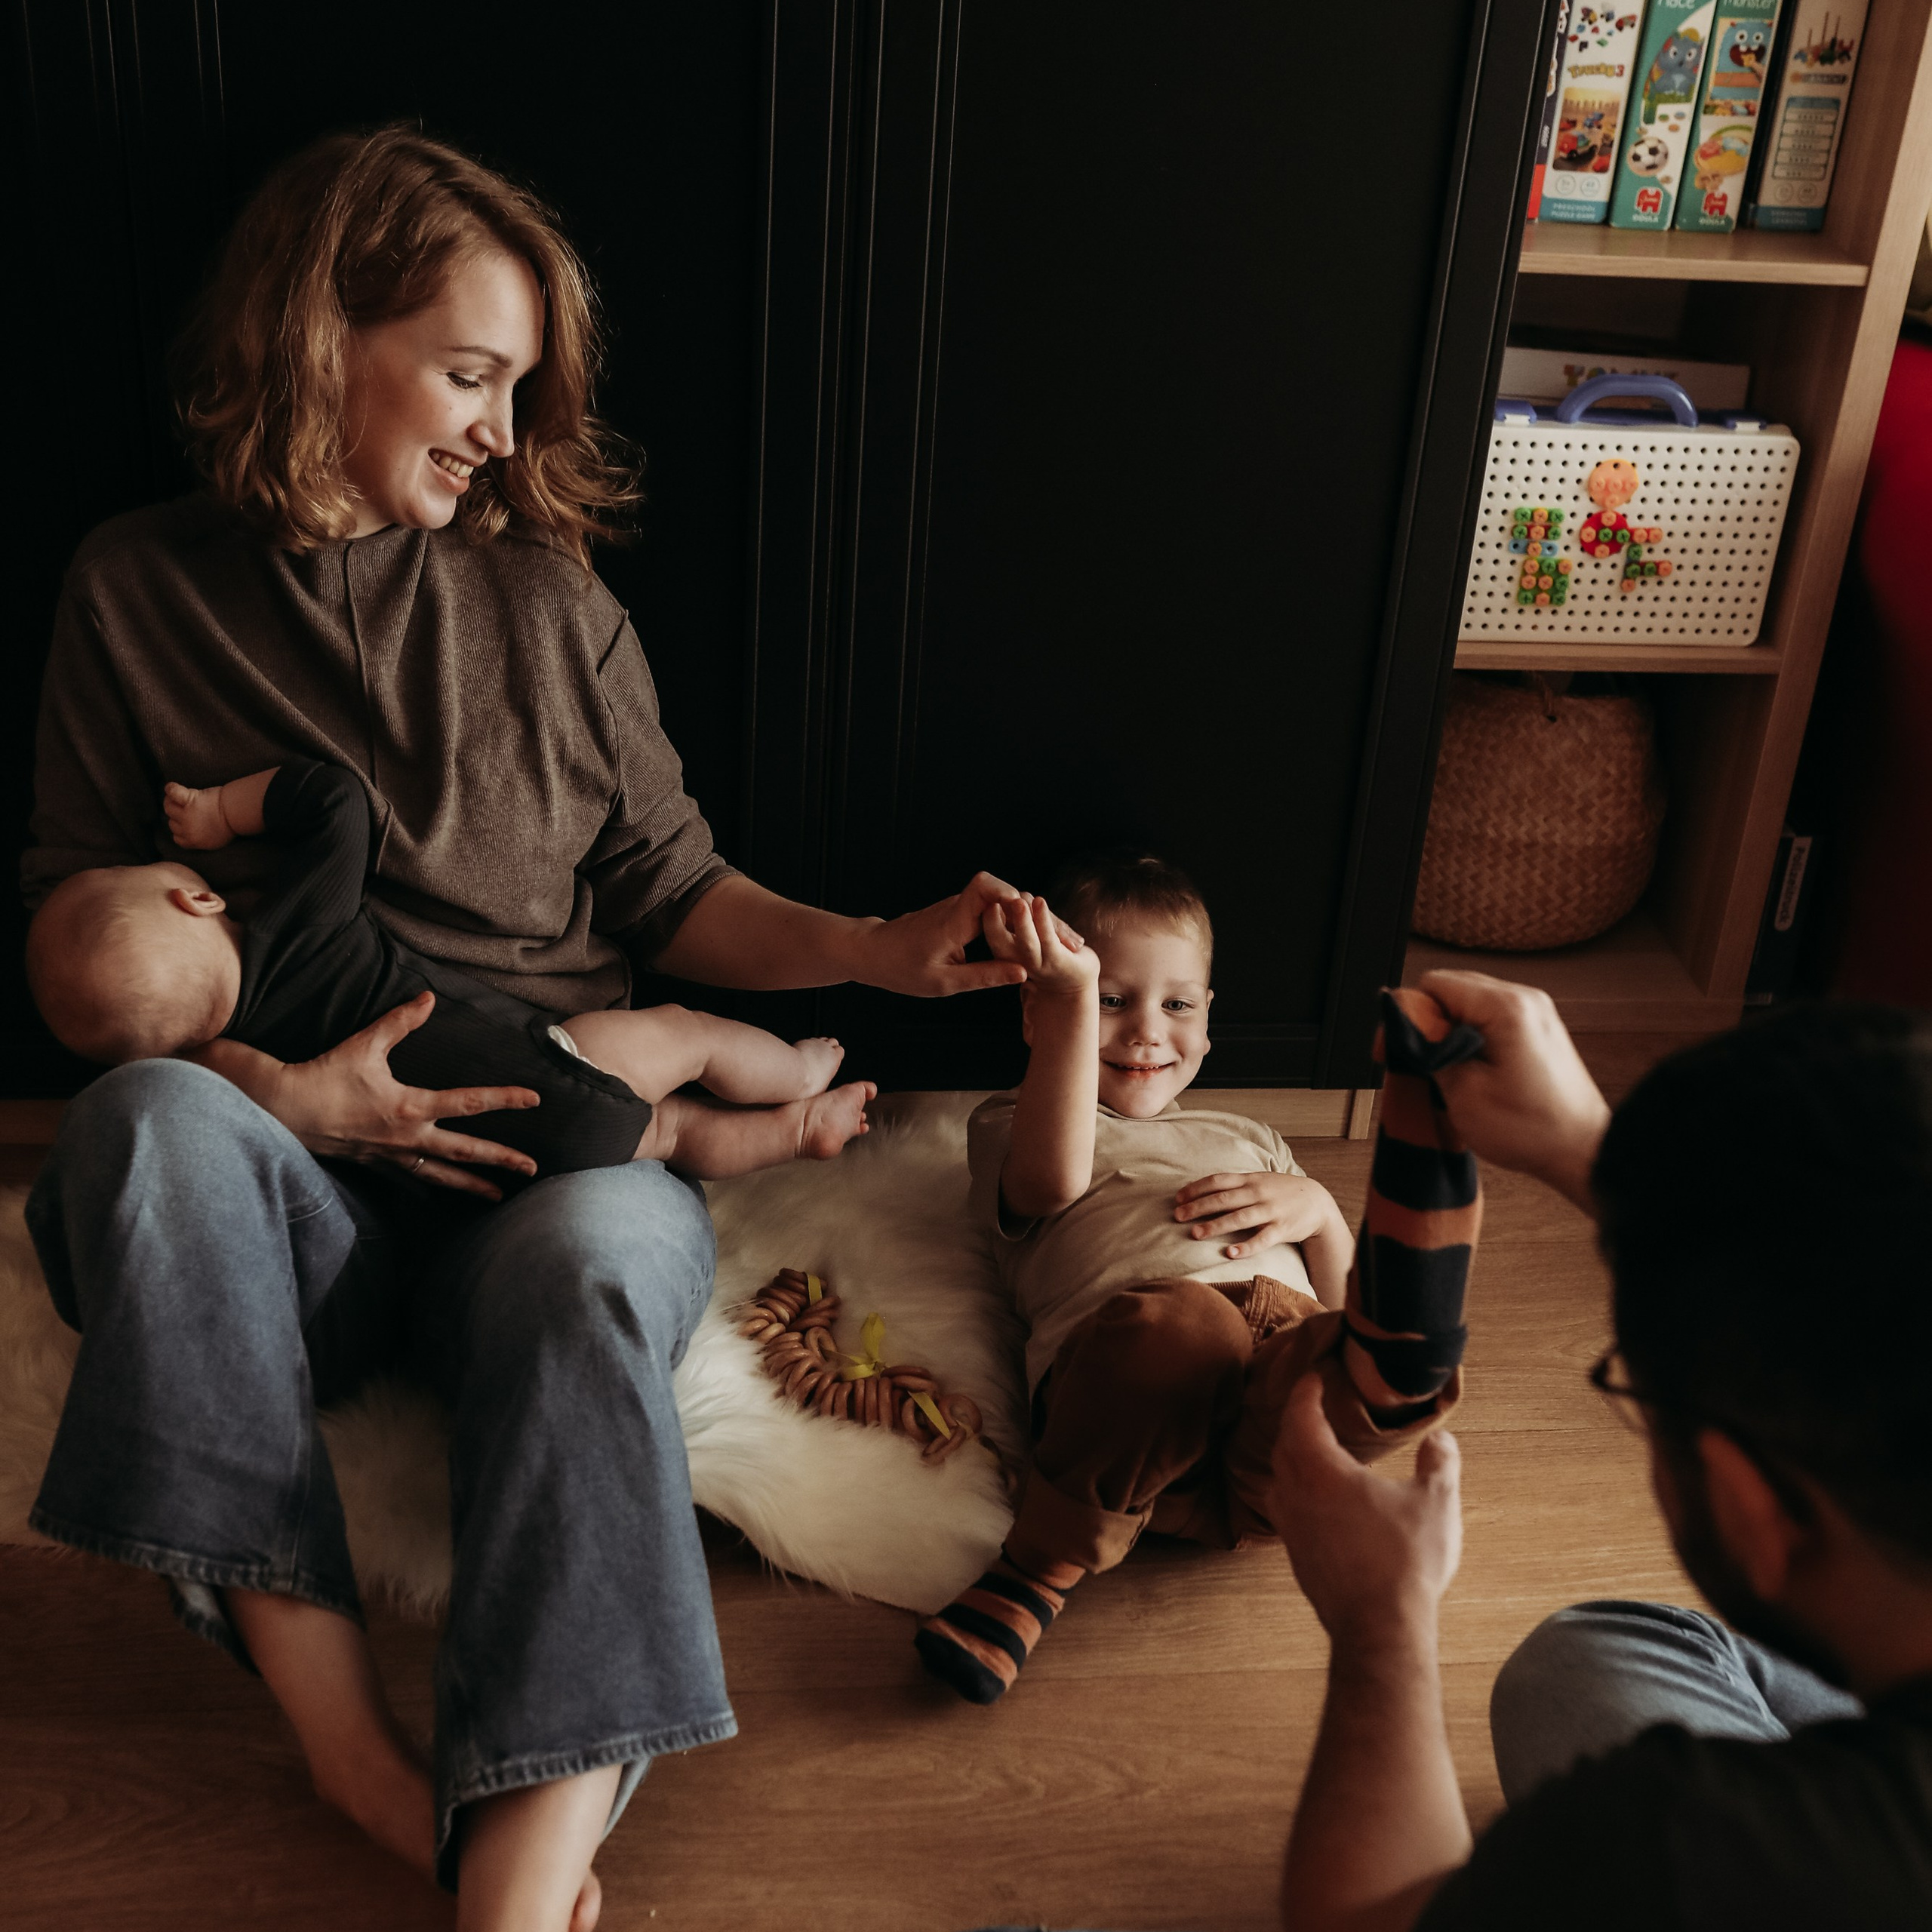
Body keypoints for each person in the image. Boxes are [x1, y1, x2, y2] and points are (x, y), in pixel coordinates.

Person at [21, 125, 1042, 1932]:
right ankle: (348, 1747)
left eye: (516, 387)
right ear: (319, 337)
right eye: (470, 373)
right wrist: (279, 1092)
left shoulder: (548, 601)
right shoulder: (132, 590)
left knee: (588, 1276)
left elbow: (675, 884)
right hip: (292, 1200)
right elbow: (76, 946)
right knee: (144, 1127)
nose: (502, 429)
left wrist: (874, 954)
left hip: (556, 1149)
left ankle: (519, 1856)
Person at [1272, 972, 1932, 1932]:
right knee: (1593, 1657)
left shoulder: (1688, 1848)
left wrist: (1382, 1624)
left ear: (1751, 1505)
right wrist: (1588, 1143)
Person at [915, 854, 1483, 1704]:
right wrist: (1071, 998)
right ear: (1040, 1012)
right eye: (1112, 1000)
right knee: (1187, 1330)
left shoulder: (1250, 1135)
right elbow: (1051, 1183)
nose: (1147, 1032)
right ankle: (1036, 1569)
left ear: (1209, 1018)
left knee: (1344, 1353)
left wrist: (1322, 1213)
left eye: (1177, 1006)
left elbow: (1335, 1297)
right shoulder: (1013, 1121)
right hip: (1127, 1404)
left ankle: (1401, 1357)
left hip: (1268, 1446)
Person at [28, 758, 875, 1181]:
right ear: (196, 900)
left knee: (669, 1134)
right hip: (557, 1060)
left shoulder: (239, 1070)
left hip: (481, 1166)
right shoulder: (296, 931)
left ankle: (799, 1133)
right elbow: (336, 802)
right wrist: (221, 811)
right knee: (687, 1039)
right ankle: (795, 1075)